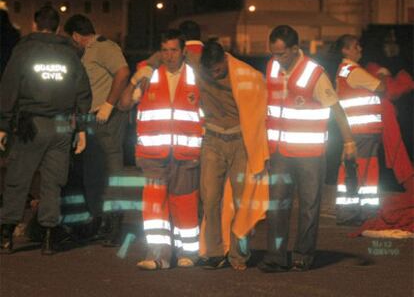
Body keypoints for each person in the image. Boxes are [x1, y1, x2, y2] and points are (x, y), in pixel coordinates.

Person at [135, 40, 269, 271]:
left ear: (225, 60)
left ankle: (239, 254)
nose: (215, 75)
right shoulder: (198, 63)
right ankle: (214, 253)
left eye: (218, 70)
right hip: (213, 140)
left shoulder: (246, 74)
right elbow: (165, 51)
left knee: (241, 201)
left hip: (240, 141)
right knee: (210, 198)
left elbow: (259, 104)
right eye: (211, 71)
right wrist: (148, 66)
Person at [258, 25, 356, 273]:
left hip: (310, 154)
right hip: (279, 151)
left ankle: (303, 256)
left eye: (281, 54)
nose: (276, 59)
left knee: (309, 208)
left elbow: (336, 109)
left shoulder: (314, 73)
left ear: (294, 49)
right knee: (277, 207)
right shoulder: (271, 66)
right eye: (273, 53)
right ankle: (276, 257)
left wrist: (349, 142)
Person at [0, 6, 91, 255]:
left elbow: (9, 88)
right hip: (62, 127)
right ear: (59, 27)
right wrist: (81, 128)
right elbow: (83, 92)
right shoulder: (70, 54)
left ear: (34, 23)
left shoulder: (24, 50)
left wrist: (3, 125)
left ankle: (6, 234)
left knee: (18, 180)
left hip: (31, 125)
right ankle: (49, 238)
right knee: (53, 183)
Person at [121, 30, 203, 270]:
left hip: (186, 154)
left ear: (183, 51)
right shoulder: (149, 74)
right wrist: (136, 79)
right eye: (164, 50)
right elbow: (125, 103)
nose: (169, 55)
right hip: (153, 156)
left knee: (185, 205)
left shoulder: (196, 75)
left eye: (173, 50)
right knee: (155, 206)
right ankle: (157, 256)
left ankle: (188, 252)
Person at [330, 34, 414, 225]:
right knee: (363, 172)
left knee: (359, 171)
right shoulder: (353, 70)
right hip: (362, 130)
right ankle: (357, 212)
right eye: (355, 47)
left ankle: (357, 211)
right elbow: (380, 86)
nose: (360, 49)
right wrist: (383, 73)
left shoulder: (343, 71)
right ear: (345, 50)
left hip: (356, 130)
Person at [64, 15, 130, 246]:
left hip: (106, 119)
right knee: (95, 173)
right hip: (93, 118)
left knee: (113, 172)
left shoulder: (104, 47)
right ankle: (101, 220)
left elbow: (123, 72)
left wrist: (109, 104)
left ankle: (113, 223)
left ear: (75, 36)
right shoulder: (90, 51)